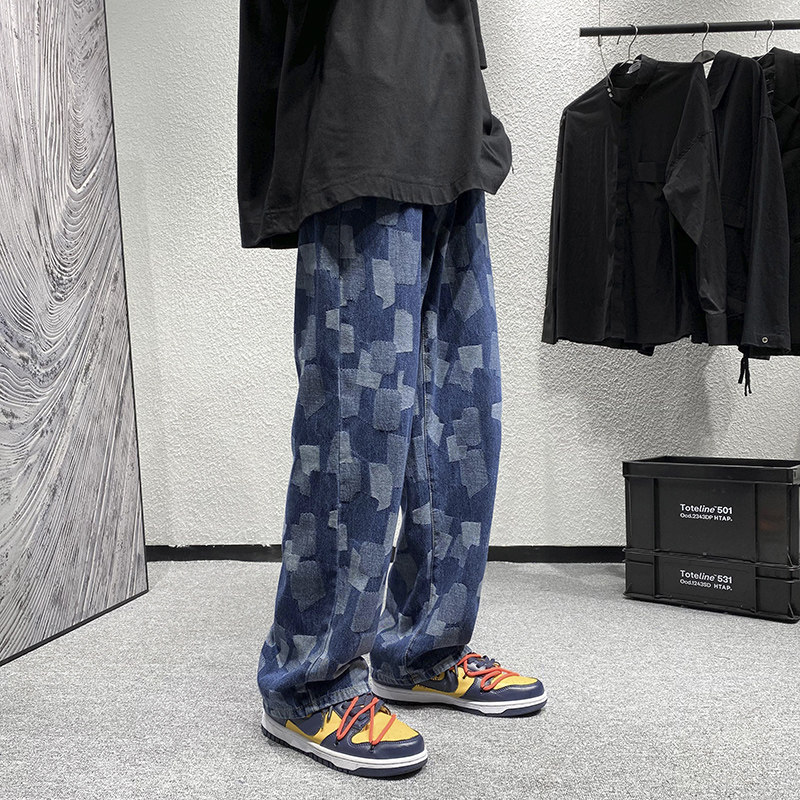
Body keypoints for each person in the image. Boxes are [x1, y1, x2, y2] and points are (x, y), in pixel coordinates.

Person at [237, 0, 546, 778]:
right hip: (362, 110)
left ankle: (422, 648)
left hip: (450, 119)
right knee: (359, 424)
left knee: (462, 420)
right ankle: (308, 681)